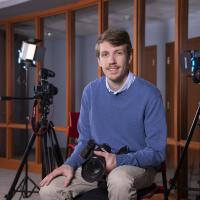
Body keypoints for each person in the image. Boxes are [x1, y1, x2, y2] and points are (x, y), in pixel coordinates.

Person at [39, 28, 167, 200]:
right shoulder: (90, 91)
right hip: (96, 165)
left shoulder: (150, 94)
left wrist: (118, 161)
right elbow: (84, 140)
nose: (111, 61)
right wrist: (69, 164)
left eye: (118, 53)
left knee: (118, 179)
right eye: (105, 54)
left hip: (136, 167)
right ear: (99, 60)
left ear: (129, 56)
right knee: (48, 190)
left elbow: (157, 153)